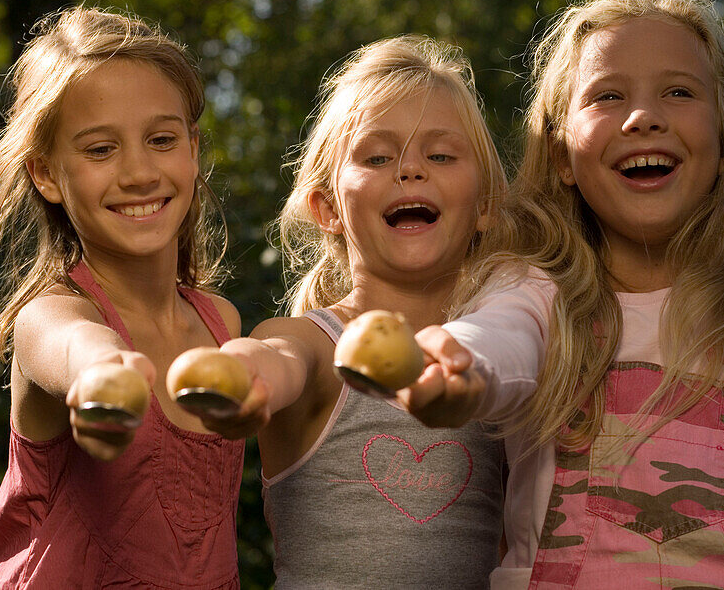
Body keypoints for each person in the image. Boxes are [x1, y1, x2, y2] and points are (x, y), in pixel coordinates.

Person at [413, 0, 724, 588]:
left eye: (679, 91)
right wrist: (456, 364)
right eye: (607, 96)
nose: (644, 117)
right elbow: (499, 342)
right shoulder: (538, 296)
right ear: (558, 156)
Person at [0, 7, 243, 589]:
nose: (138, 172)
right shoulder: (50, 313)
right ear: (47, 174)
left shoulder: (221, 322)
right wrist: (105, 375)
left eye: (161, 140)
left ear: (193, 148)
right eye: (100, 150)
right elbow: (74, 347)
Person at [194, 36, 508, 588]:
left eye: (440, 155)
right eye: (377, 156)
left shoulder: (504, 357)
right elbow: (275, 357)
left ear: (485, 204)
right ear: (327, 207)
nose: (410, 171)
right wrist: (241, 371)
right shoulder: (316, 343)